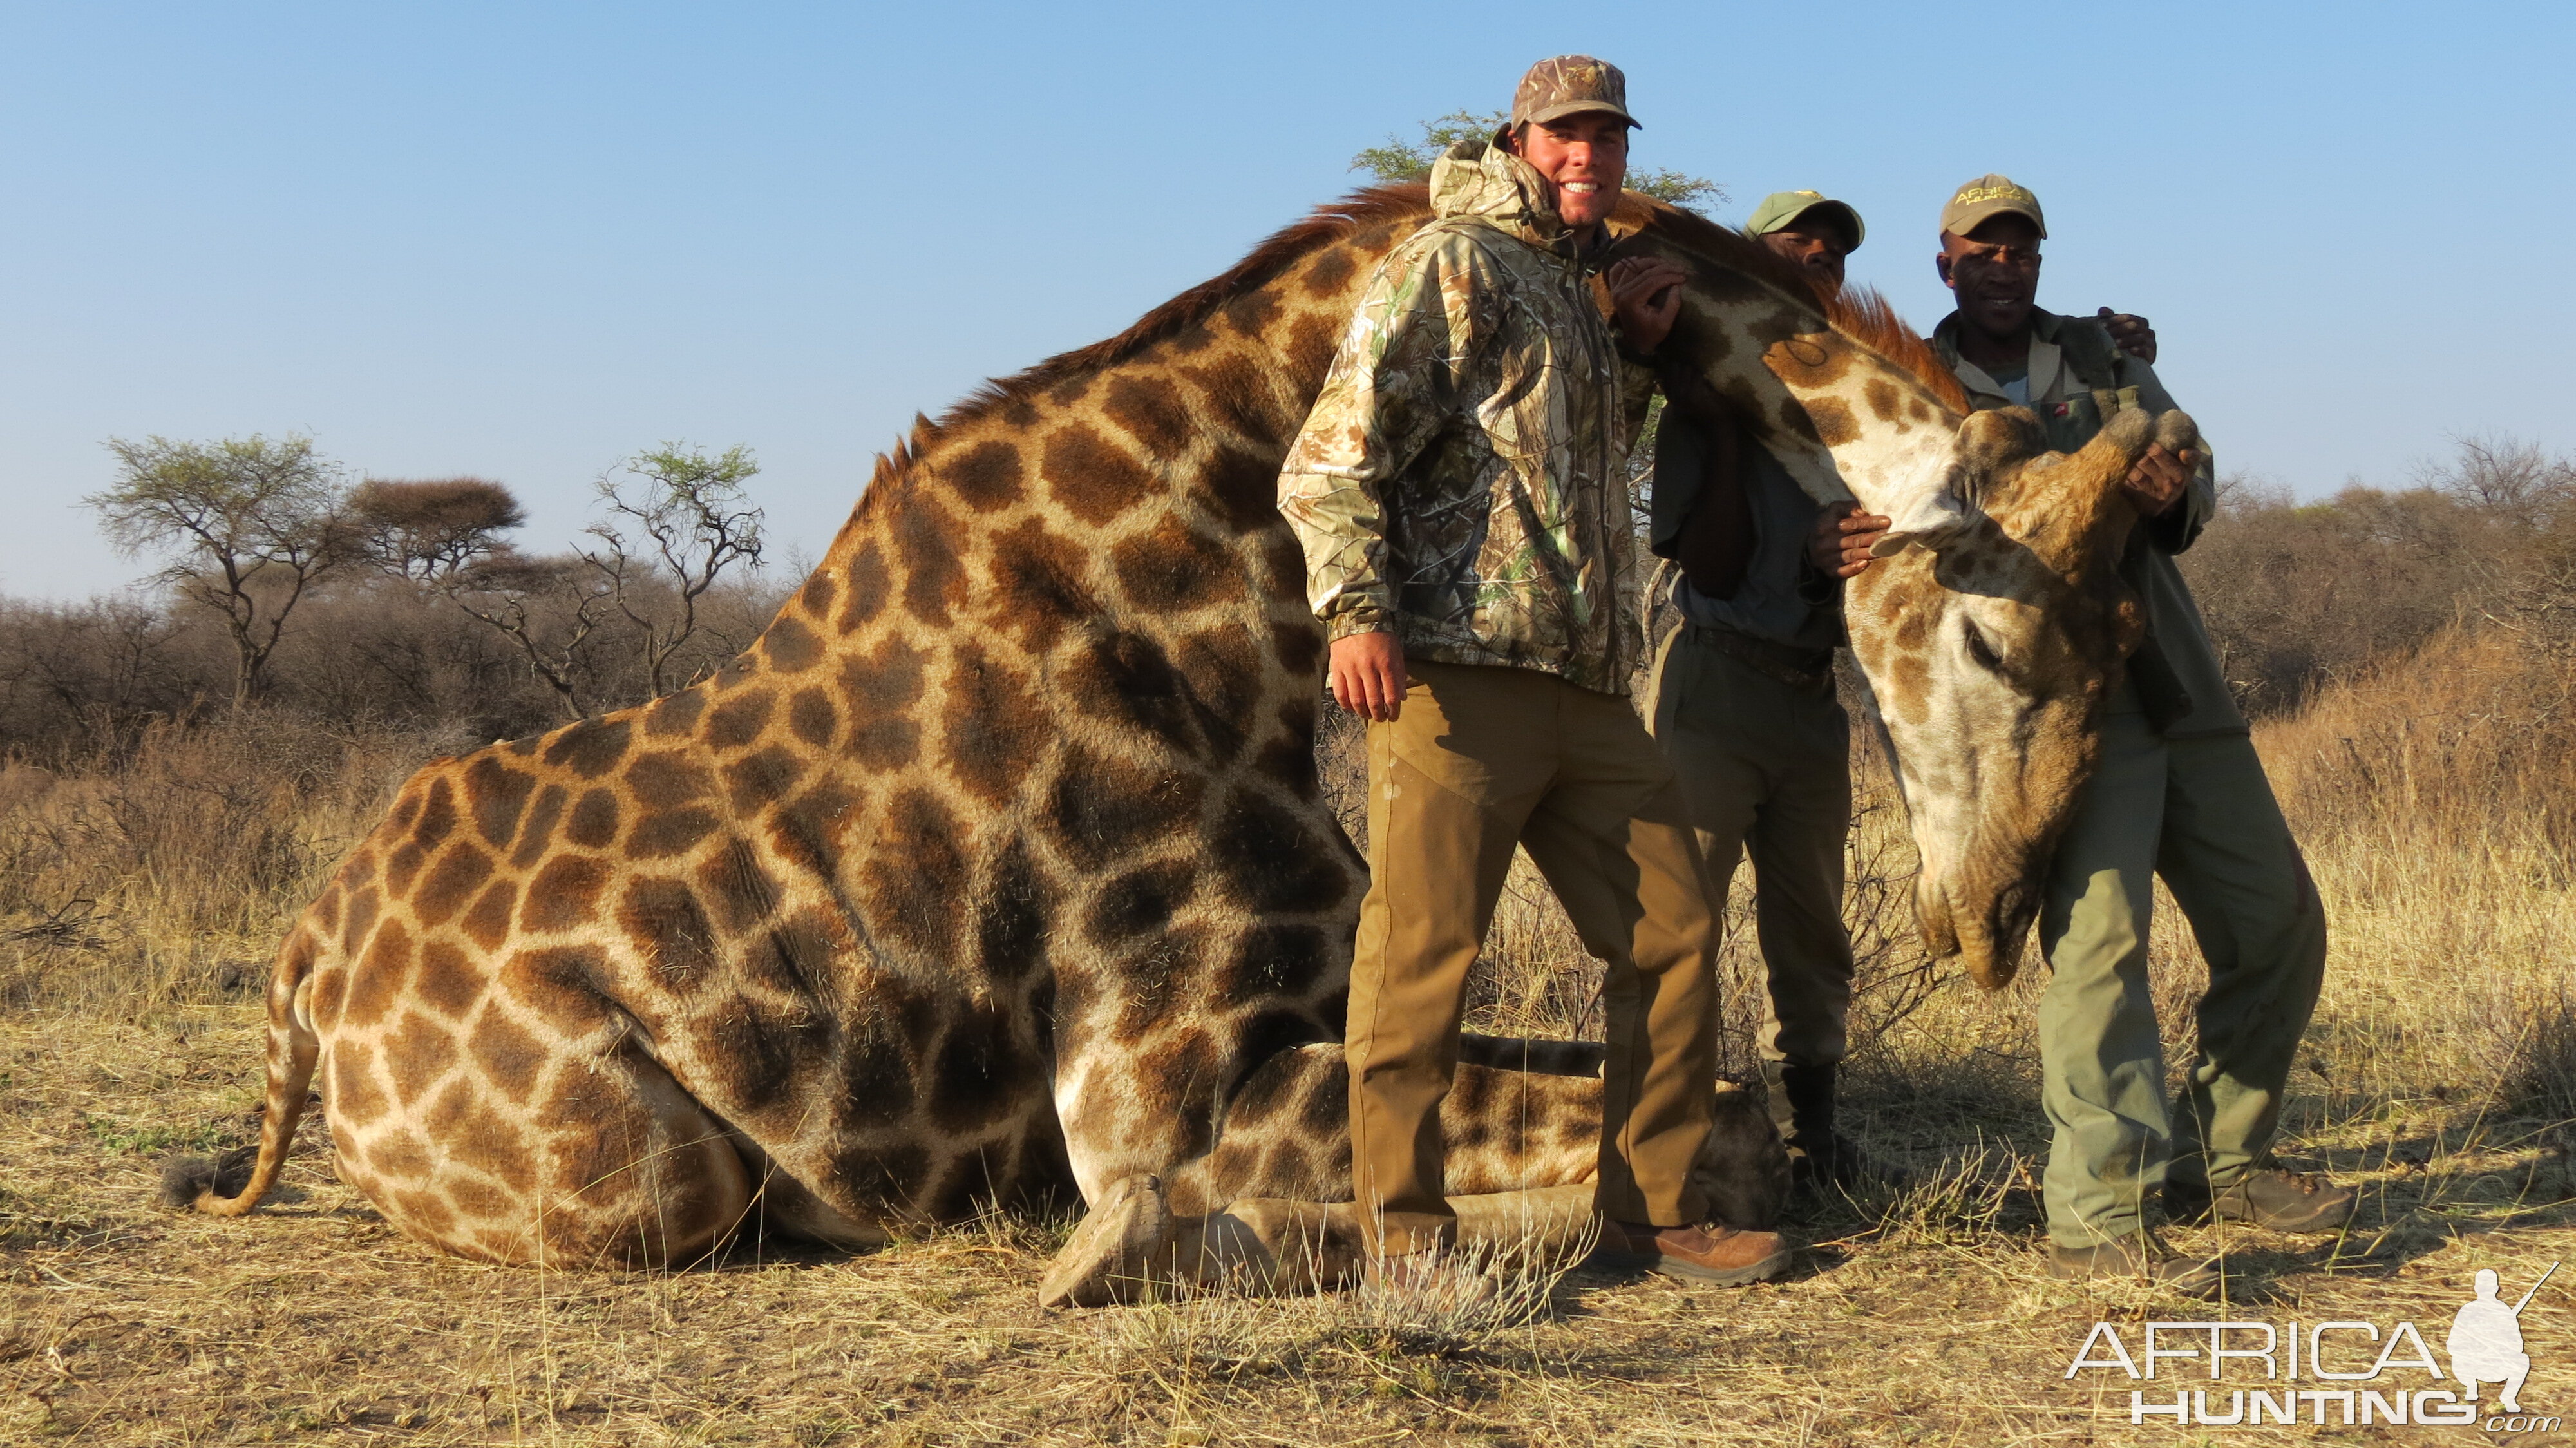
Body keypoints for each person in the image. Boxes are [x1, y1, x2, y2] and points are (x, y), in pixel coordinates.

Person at [1277, 55, 1790, 1287]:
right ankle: (1405, 1242)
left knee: (1676, 934)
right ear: (1519, 138)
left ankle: (1649, 1214)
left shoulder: (1577, 291)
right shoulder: (1447, 261)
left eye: (1607, 140)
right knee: (1422, 965)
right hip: (1457, 683)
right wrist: (1356, 612)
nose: (1588, 158)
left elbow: (1566, 477)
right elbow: (1332, 461)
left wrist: (1639, 348)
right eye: (1566, 136)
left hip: (1590, 690)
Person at [1831, 173, 2349, 1295]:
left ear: (2038, 262)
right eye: (1980, 250)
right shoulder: (1916, 388)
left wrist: (2168, 493)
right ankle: (2101, 1214)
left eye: (2018, 249)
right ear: (1946, 266)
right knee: (2101, 950)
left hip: (2172, 677)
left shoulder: (2110, 359)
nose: (2001, 266)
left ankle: (2226, 1158)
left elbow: (2188, 468)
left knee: (2279, 922)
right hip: (2045, 705)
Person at [1649, 190, 2155, 1194]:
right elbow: (1701, 568)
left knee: (1815, 934)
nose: (1816, 269)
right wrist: (1773, 511)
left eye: (1831, 259)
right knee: (1678, 930)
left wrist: (2113, 357)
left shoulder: (1858, 426)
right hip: (1712, 684)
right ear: (1758, 267)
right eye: (1796, 252)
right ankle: (1670, 1163)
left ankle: (1816, 1145)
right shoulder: (1707, 402)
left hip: (1806, 696)